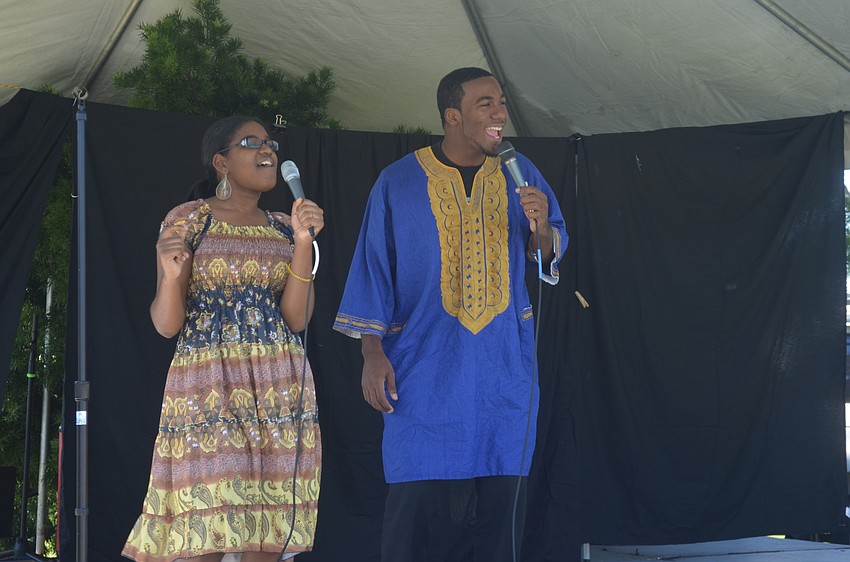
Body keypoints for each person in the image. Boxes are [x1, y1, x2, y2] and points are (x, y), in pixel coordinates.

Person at [334, 67, 568, 561]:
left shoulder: (519, 172)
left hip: (503, 369)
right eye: (486, 104)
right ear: (452, 116)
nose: (500, 113)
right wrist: (371, 354)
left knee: (500, 515)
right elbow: (373, 269)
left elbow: (547, 255)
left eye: (501, 102)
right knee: (416, 514)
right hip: (422, 373)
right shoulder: (397, 182)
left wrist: (541, 225)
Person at [123, 116, 324, 562]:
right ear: (221, 162)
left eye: (270, 143)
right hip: (207, 386)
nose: (267, 150)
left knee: (265, 531)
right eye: (252, 143)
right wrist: (172, 277)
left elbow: (296, 317)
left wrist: (304, 242)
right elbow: (166, 324)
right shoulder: (188, 220)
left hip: (278, 387)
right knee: (206, 530)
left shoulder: (282, 226)